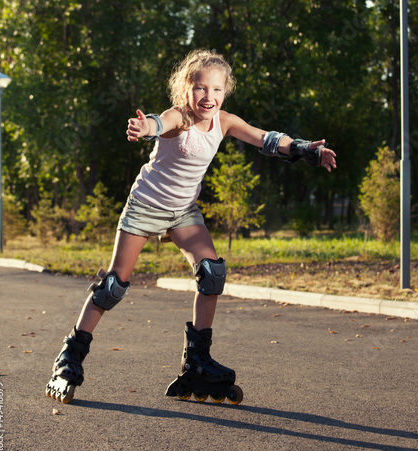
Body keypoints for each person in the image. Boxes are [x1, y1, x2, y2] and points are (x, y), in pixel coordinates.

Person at [46, 49, 337, 404]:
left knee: (212, 273)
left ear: (224, 92)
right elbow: (159, 122)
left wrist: (305, 149)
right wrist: (146, 128)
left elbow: (266, 139)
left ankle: (197, 360)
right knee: (113, 286)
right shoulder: (179, 117)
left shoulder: (225, 121)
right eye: (201, 88)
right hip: (146, 207)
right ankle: (70, 357)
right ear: (187, 89)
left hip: (183, 211)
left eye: (216, 90)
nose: (209, 97)